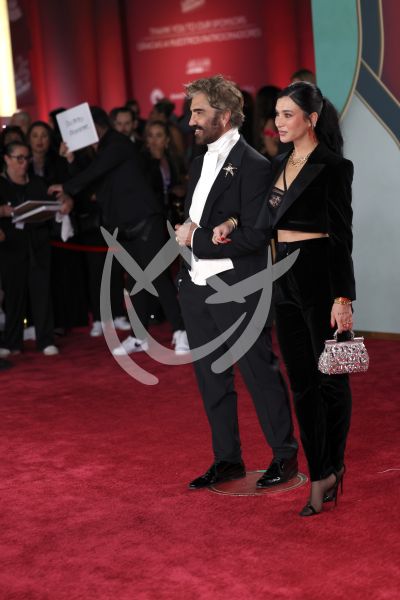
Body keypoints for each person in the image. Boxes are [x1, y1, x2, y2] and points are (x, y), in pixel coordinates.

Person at [214, 82, 355, 516]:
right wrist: (232, 222)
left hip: (319, 275)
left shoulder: (334, 166)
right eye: (276, 114)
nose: (278, 122)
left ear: (311, 119)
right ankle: (320, 473)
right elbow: (262, 215)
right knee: (302, 385)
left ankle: (332, 467)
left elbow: (341, 238)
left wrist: (343, 296)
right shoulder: (278, 163)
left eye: (288, 114)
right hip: (283, 275)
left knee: (331, 379)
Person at [175, 75, 298, 490]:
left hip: (237, 288)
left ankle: (284, 457)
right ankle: (227, 459)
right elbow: (203, 220)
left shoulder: (255, 166)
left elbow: (254, 236)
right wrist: (191, 231)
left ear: (224, 116)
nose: (190, 119)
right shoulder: (197, 164)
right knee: (212, 379)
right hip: (195, 287)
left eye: (198, 112)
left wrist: (199, 239)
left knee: (259, 373)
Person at [49, 107, 189, 356]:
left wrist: (68, 186)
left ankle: (182, 332)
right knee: (135, 281)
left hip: (146, 221)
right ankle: (139, 337)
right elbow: (93, 179)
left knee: (157, 277)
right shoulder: (103, 149)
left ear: (95, 127)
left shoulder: (118, 143)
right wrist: (70, 162)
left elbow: (93, 173)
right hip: (126, 225)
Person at [0, 142, 70, 357]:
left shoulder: (38, 183)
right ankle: (11, 342)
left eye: (26, 158)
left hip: (38, 245)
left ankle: (45, 339)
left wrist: (65, 203)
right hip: (11, 246)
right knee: (13, 295)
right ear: (7, 159)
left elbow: (56, 205)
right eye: (18, 158)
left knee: (42, 293)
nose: (23, 163)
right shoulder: (1, 185)